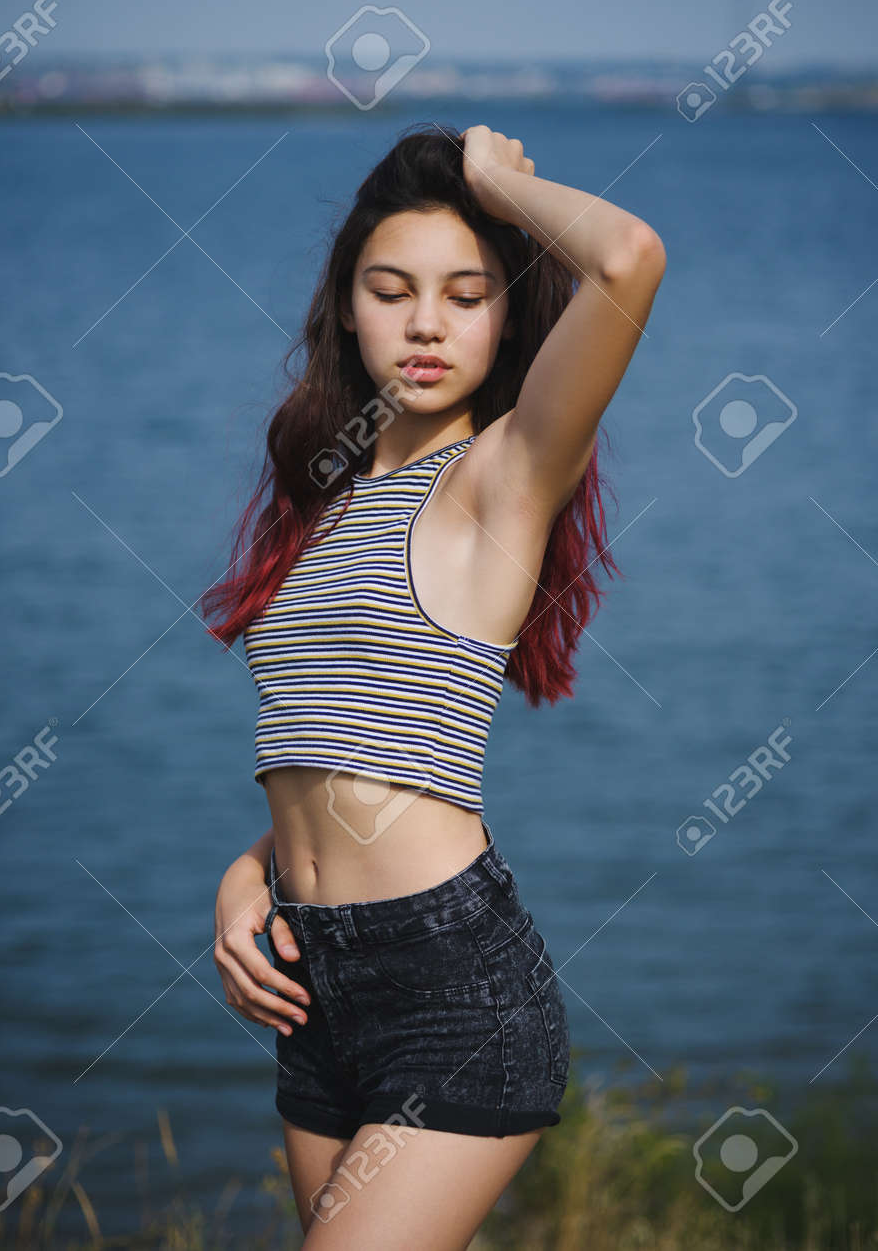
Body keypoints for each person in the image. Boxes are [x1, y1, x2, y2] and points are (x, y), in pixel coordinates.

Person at [201, 122, 666, 1248]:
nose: (423, 323)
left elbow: (629, 259)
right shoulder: (327, 502)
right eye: (391, 288)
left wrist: (502, 184)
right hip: (316, 988)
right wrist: (248, 870)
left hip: (452, 985)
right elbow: (355, 737)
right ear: (346, 307)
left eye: (467, 293)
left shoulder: (503, 475)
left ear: (507, 315)